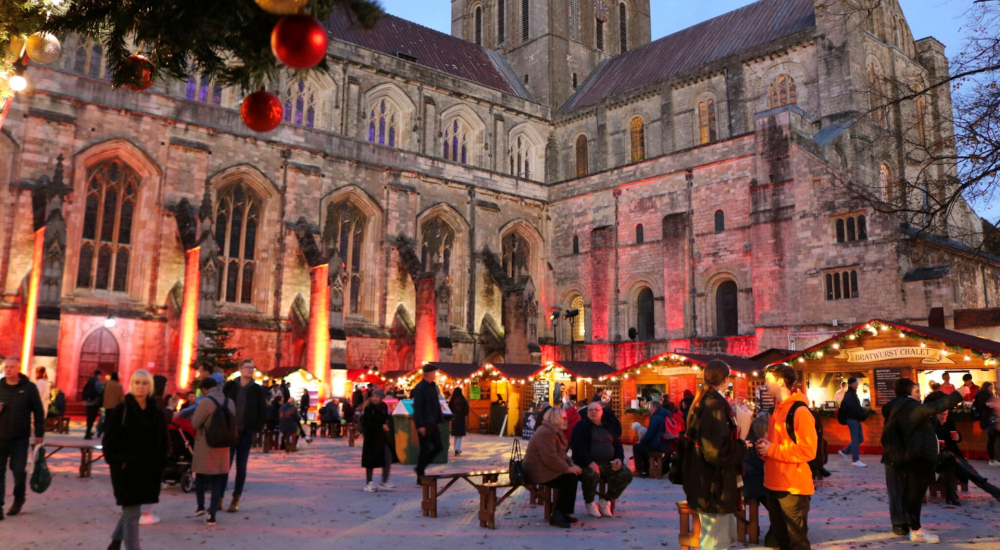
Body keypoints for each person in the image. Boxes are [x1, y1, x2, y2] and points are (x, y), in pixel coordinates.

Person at [881, 377, 962, 543]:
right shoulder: (909, 406)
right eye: (917, 391)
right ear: (909, 392)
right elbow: (934, 407)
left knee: (900, 492)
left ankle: (903, 525)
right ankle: (911, 528)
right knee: (908, 492)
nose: (919, 395)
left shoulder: (896, 407)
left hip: (896, 455)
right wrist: (958, 395)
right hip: (906, 455)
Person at [681, 360, 747, 550]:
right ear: (726, 379)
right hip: (712, 485)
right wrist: (742, 446)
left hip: (709, 482)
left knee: (722, 539)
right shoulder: (713, 404)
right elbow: (716, 452)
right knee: (715, 543)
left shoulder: (704, 400)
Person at [102, 369, 167, 549]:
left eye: (144, 383)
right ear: (131, 385)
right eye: (137, 382)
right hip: (126, 470)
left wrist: (161, 463)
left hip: (149, 470)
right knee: (132, 512)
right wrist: (121, 461)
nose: (140, 387)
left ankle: (115, 542)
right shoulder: (121, 409)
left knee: (132, 509)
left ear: (150, 386)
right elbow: (108, 442)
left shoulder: (155, 410)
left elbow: (162, 439)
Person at [755, 364, 817, 550]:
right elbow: (778, 446)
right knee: (780, 541)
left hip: (793, 488)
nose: (764, 384)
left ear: (780, 381)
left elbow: (808, 451)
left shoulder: (800, 411)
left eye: (768, 380)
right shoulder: (777, 410)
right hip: (773, 484)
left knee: (796, 543)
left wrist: (772, 449)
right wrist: (764, 449)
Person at [570, 401, 633, 518]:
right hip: (587, 464)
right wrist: (589, 462)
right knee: (591, 475)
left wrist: (619, 458)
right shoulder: (581, 426)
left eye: (596, 410)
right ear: (587, 412)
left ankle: (605, 501)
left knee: (626, 474)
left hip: (608, 464)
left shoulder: (608, 427)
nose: (593, 412)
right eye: (591, 410)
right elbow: (578, 447)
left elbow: (618, 446)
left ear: (601, 412)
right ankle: (589, 502)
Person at [0, 357, 45, 519]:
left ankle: (19, 498)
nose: (8, 370)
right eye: (6, 367)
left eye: (11, 367)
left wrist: (39, 433)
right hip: (0, 437)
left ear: (18, 369)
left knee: (18, 471)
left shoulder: (29, 388)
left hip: (19, 438)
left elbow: (38, 411)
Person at [524, 406, 582, 528]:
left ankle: (563, 512)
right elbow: (550, 458)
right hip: (536, 471)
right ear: (556, 419)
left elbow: (562, 455)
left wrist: (572, 465)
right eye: (564, 418)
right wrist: (567, 469)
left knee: (573, 476)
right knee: (569, 479)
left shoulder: (555, 431)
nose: (567, 421)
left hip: (545, 468)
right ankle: (558, 514)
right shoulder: (546, 433)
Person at [221, 359, 267, 513]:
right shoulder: (230, 386)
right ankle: (219, 497)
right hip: (229, 432)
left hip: (246, 433)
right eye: (247, 367)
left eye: (252, 368)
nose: (250, 370)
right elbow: (221, 406)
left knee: (241, 466)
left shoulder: (257, 389)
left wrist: (255, 428)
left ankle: (236, 498)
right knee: (225, 466)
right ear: (240, 369)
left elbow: (262, 411)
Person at [191, 377, 234, 526]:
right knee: (217, 480)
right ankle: (212, 516)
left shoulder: (205, 403)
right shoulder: (230, 402)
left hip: (205, 445)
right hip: (223, 446)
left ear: (204, 389)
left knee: (201, 476)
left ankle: (200, 506)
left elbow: (195, 423)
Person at [361, 388, 399, 492]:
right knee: (370, 461)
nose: (374, 398)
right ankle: (369, 483)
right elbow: (367, 424)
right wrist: (380, 426)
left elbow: (386, 418)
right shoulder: (369, 409)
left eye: (377, 396)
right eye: (373, 396)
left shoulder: (384, 407)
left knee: (388, 457)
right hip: (371, 437)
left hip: (382, 437)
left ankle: (384, 481)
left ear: (381, 398)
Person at [412, 365, 444, 481]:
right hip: (425, 423)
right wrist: (420, 425)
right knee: (424, 450)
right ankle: (420, 477)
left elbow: (435, 404)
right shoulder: (420, 388)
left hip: (433, 422)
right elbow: (418, 408)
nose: (436, 375)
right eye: (434, 373)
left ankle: (420, 467)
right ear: (429, 374)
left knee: (439, 446)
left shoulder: (432, 387)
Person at [632, 400, 670, 477]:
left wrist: (641, 441)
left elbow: (649, 434)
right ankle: (647, 469)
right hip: (666, 443)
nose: (649, 409)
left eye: (651, 407)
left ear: (655, 408)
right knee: (643, 448)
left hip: (657, 445)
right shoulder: (665, 415)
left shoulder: (656, 417)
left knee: (636, 447)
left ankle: (640, 470)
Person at [837, 377, 867, 468]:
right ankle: (855, 460)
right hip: (852, 419)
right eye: (856, 382)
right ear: (852, 384)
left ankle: (845, 451)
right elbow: (854, 409)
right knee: (856, 439)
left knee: (860, 439)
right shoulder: (850, 395)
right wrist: (862, 415)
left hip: (854, 419)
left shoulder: (852, 394)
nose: (858, 384)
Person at [742, 415, 769, 504]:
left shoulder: (748, 442)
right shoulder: (755, 445)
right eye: (768, 431)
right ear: (761, 431)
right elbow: (763, 465)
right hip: (752, 486)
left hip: (748, 483)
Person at [972, 382, 998, 466]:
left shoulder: (984, 395)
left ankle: (993, 459)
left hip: (990, 420)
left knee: (992, 439)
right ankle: (992, 459)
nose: (991, 389)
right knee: (992, 439)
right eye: (990, 388)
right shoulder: (983, 396)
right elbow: (989, 404)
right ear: (986, 388)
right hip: (989, 420)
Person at [82, 369, 105, 439]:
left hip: (87, 402)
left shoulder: (89, 381)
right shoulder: (97, 382)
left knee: (89, 417)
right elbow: (101, 391)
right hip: (94, 402)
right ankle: (88, 433)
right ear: (98, 375)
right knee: (92, 418)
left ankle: (88, 431)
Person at [448, 387, 469, 457]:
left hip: (454, 418)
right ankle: (457, 449)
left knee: (455, 434)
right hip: (461, 418)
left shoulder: (452, 400)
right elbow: (466, 408)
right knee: (460, 435)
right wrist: (464, 414)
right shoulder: (463, 400)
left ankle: (456, 449)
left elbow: (449, 408)